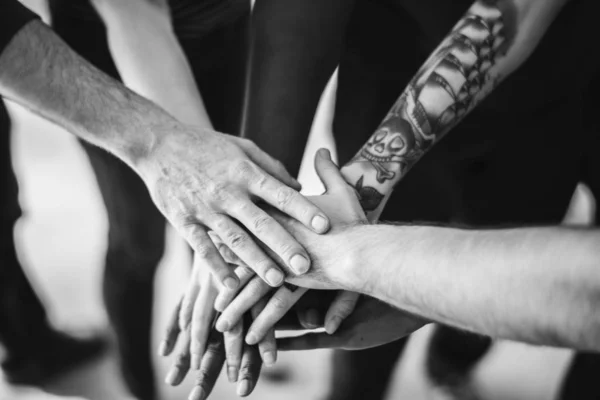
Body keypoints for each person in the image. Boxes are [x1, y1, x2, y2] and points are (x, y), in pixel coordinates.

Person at [165, 0, 600, 398]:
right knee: (351, 315)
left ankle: (451, 357)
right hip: (392, 76)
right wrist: (257, 200)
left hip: (559, 98)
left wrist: (357, 254)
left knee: (513, 250)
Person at [0, 1, 332, 398]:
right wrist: (173, 152)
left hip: (228, 30)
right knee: (139, 240)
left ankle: (228, 324)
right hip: (111, 51)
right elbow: (134, 12)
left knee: (222, 240)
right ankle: (136, 380)